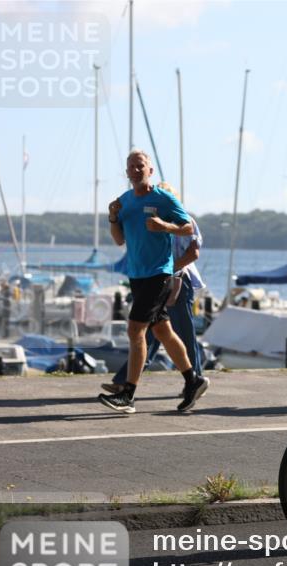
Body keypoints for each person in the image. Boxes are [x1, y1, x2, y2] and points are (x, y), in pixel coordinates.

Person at [98, 150, 209, 414]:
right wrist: (112, 217)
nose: (136, 170)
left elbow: (188, 228)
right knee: (162, 331)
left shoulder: (164, 198)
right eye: (131, 167)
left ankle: (128, 394)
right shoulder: (124, 201)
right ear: (127, 173)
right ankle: (193, 380)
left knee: (135, 331)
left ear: (150, 170)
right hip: (137, 275)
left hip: (159, 274)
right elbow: (119, 239)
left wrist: (165, 226)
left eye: (141, 166)